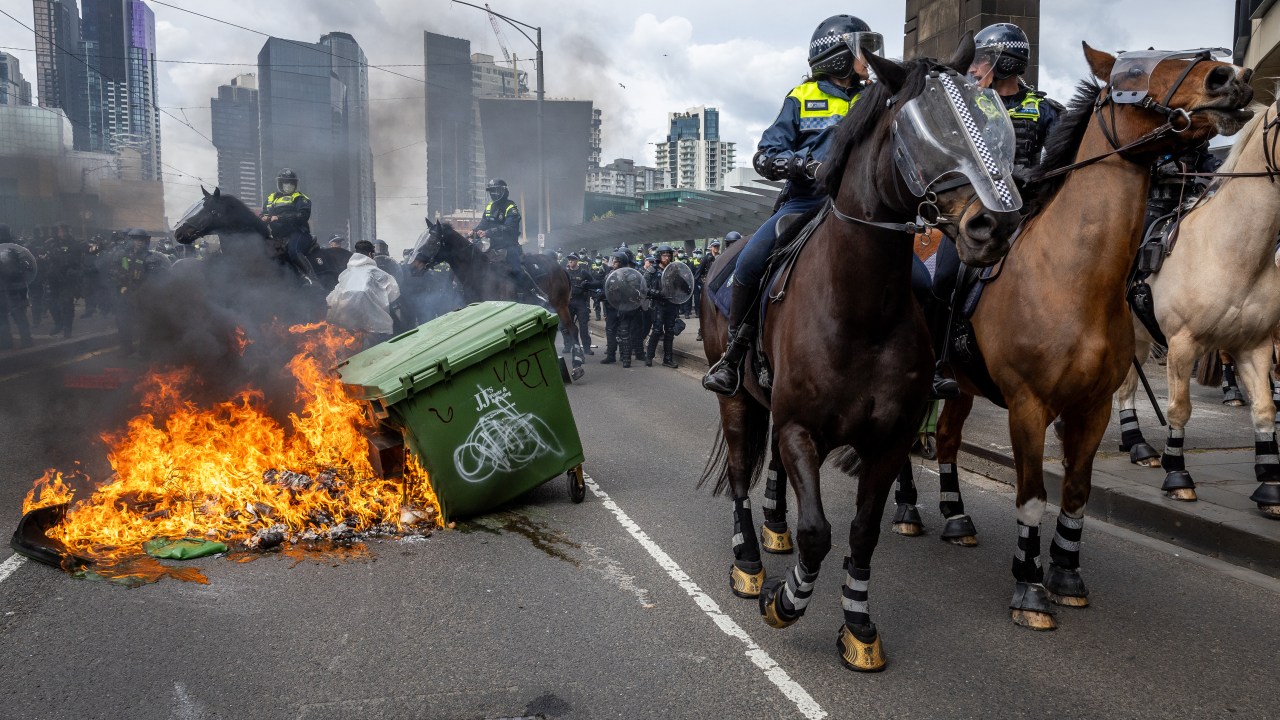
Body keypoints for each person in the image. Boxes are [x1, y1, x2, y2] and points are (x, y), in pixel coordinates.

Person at [704, 15, 881, 395]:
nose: (871, 58)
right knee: (750, 262)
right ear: (838, 55)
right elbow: (766, 156)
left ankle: (932, 360)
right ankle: (734, 355)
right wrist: (804, 164)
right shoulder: (801, 98)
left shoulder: (877, 97)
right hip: (806, 202)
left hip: (865, 209)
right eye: (863, 50)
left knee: (920, 275)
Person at [913, 21, 1064, 399]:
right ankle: (935, 363)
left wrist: (1038, 174)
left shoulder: (1043, 108)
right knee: (943, 277)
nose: (973, 68)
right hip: (979, 211)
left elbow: (1065, 159)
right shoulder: (963, 104)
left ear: (1005, 62)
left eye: (981, 61)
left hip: (1031, 212)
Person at [474, 178, 539, 301]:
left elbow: (509, 228)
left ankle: (527, 293)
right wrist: (474, 231)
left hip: (509, 246)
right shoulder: (489, 207)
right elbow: (482, 224)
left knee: (517, 270)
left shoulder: (511, 207)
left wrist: (488, 232)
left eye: (495, 191)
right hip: (491, 246)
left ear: (503, 191)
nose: (493, 194)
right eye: (491, 191)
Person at [326, 240, 400, 348]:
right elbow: (393, 292)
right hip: (371, 323)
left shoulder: (346, 274)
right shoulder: (375, 272)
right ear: (370, 254)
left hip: (345, 320)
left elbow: (333, 297)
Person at [261, 168, 318, 284]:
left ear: (295, 184)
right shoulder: (271, 198)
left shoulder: (300, 198)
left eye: (291, 182)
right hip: (278, 237)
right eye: (285, 182)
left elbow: (302, 215)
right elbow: (264, 213)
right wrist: (264, 217)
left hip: (298, 233)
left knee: (294, 251)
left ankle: (311, 279)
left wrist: (280, 217)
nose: (288, 185)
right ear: (280, 183)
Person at [113, 228, 162, 355]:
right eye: (136, 240)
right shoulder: (124, 256)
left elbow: (154, 279)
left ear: (145, 242)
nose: (139, 243)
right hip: (126, 294)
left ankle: (144, 351)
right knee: (122, 321)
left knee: (144, 324)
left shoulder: (150, 258)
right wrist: (121, 279)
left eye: (141, 240)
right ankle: (126, 348)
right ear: (131, 241)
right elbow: (118, 270)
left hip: (143, 296)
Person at [44, 224, 85, 339]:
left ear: (68, 231)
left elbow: (77, 261)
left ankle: (67, 329)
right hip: (54, 279)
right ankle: (58, 323)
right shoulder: (52, 243)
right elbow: (47, 256)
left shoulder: (74, 244)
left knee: (66, 304)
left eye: (64, 231)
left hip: (68, 279)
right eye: (60, 231)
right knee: (51, 303)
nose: (62, 234)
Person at [644, 245, 681, 368]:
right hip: (658, 305)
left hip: (671, 304)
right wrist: (657, 293)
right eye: (664, 255)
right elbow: (643, 288)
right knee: (657, 330)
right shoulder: (652, 271)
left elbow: (680, 285)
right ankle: (649, 357)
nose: (667, 257)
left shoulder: (673, 270)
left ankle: (668, 359)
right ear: (659, 256)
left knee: (670, 332)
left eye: (669, 255)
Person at [0, 225, 35, 350]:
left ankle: (7, 343)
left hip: (9, 288)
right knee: (19, 316)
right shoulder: (17, 247)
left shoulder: (11, 249)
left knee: (4, 318)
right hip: (16, 288)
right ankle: (26, 341)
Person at [564, 253, 598, 355]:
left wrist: (595, 297)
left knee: (584, 326)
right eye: (569, 259)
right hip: (568, 302)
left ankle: (587, 348)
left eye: (572, 259)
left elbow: (593, 284)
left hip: (581, 301)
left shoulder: (584, 273)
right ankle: (568, 346)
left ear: (577, 260)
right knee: (567, 326)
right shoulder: (564, 272)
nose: (570, 261)